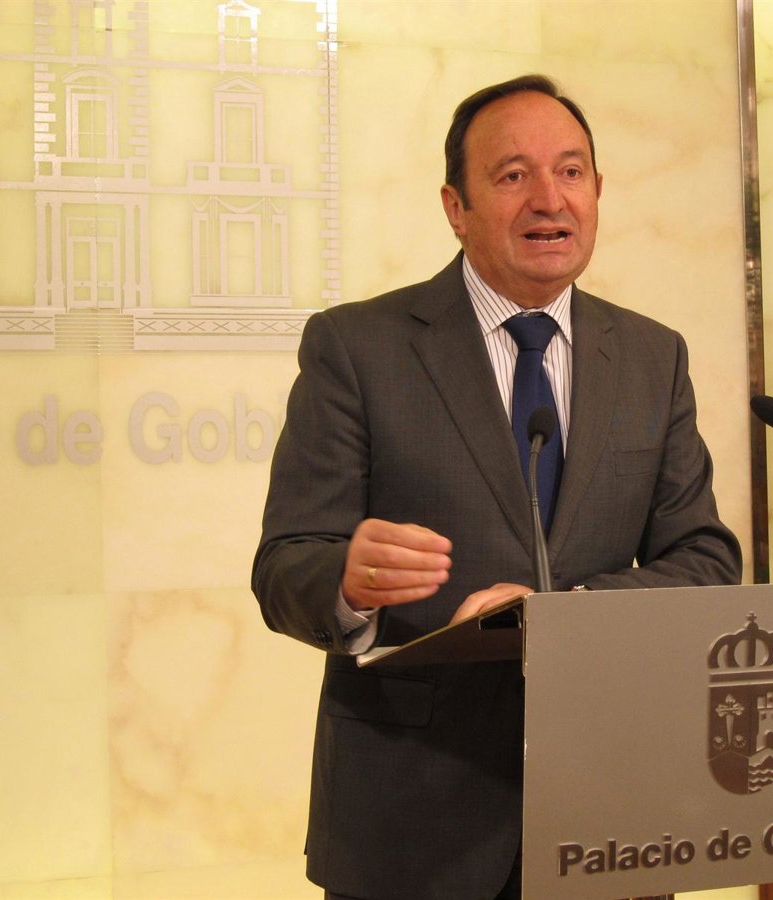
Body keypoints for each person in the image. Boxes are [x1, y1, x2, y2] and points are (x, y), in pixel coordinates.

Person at [252, 74, 742, 900]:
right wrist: (346, 581)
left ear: (597, 190)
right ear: (456, 206)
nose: (549, 199)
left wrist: (565, 613)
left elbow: (706, 561)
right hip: (414, 823)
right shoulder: (359, 347)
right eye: (513, 175)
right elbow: (285, 564)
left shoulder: (653, 357)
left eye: (571, 171)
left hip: (612, 812)